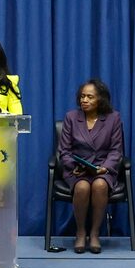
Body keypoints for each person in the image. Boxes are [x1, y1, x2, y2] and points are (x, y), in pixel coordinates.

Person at [54, 79, 128, 255]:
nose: (84, 100)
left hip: (103, 169)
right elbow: (64, 150)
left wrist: (105, 168)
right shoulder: (71, 117)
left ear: (100, 99)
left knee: (100, 185)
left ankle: (95, 233)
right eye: (82, 96)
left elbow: (116, 150)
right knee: (82, 187)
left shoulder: (113, 118)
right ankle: (80, 232)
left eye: (89, 97)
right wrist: (73, 166)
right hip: (77, 169)